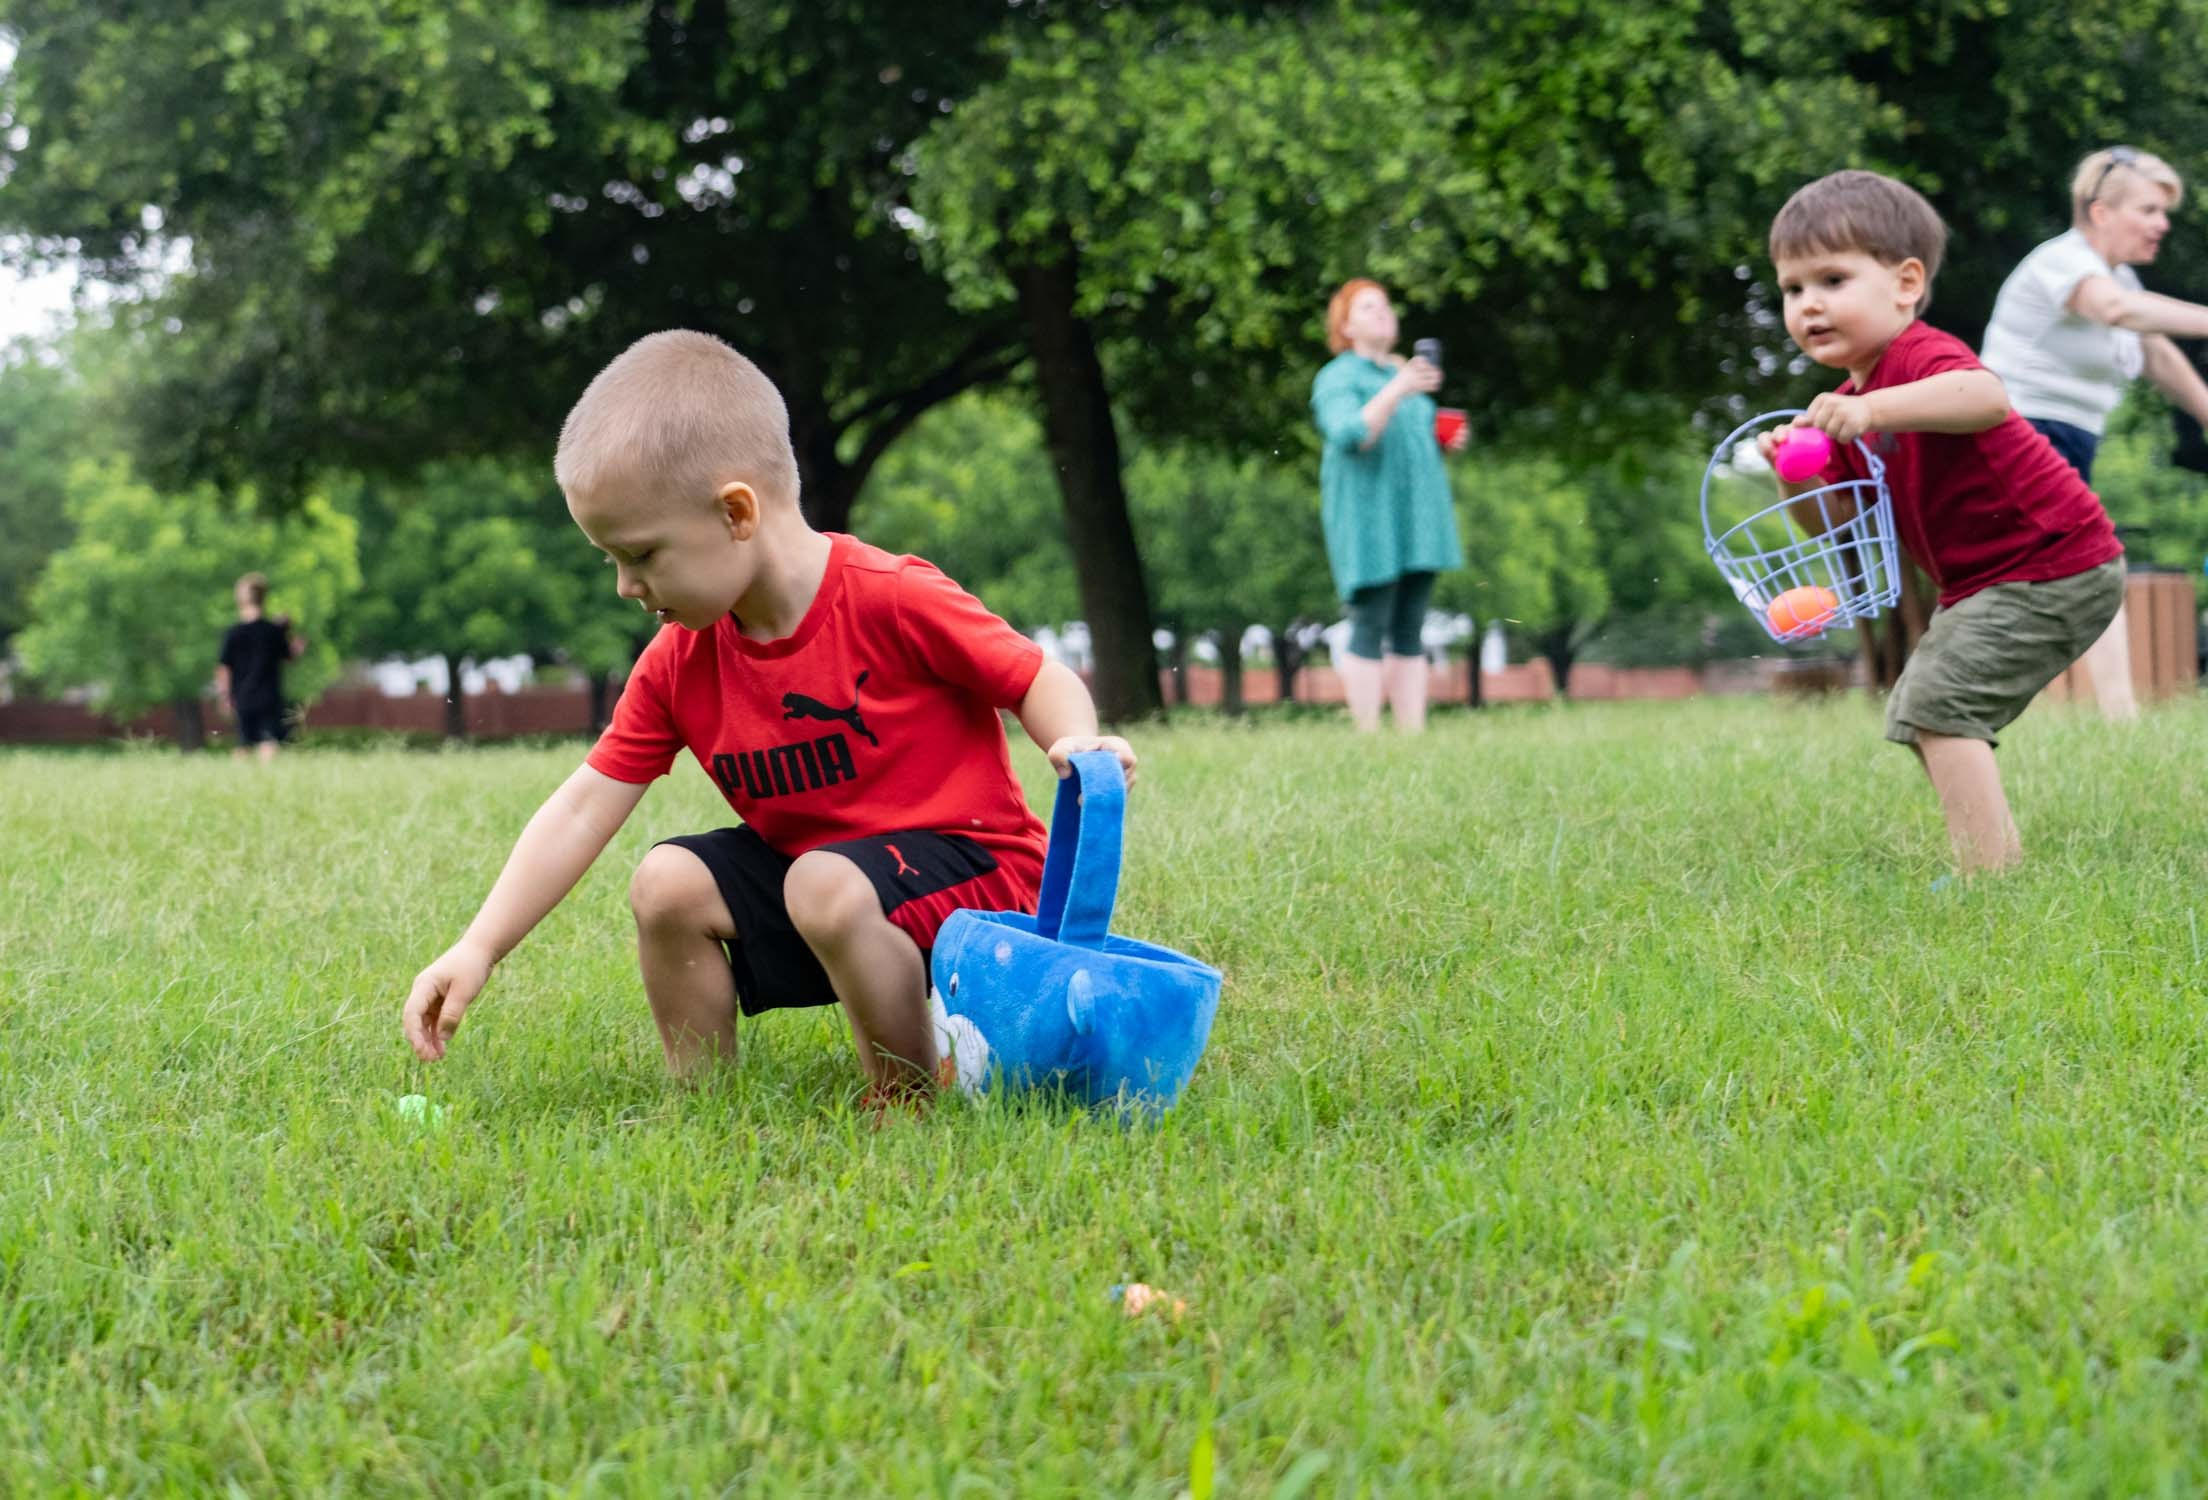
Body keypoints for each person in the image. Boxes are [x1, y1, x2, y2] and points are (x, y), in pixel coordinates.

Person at [400, 330, 1135, 1108]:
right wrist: (480, 946)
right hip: (828, 898)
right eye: (610, 559)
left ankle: (907, 1101)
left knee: (825, 880)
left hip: (980, 894)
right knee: (668, 881)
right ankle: (705, 1108)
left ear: (736, 512)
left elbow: (1033, 675)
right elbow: (584, 806)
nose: (624, 585)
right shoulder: (682, 658)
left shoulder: (891, 597)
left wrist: (1072, 740)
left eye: (642, 554)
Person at [1758, 170, 2124, 875]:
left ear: (1905, 283)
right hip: (1992, 581)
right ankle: (1985, 855)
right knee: (1927, 707)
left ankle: (1989, 873)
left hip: (2053, 562)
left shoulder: (1917, 357)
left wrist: (1871, 411)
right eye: (1792, 289)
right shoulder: (1841, 409)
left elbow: (1983, 396)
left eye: (1833, 280)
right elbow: (1832, 523)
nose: (1808, 305)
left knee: (1937, 702)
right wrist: (1792, 474)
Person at [1980, 146, 2208, 721]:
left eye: (2165, 214)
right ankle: (2120, 716)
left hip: (2067, 439)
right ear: (2101, 211)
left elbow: (2156, 354)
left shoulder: (2120, 277)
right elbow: (2117, 312)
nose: (2161, 226)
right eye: (2151, 210)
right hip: (2016, 433)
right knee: (2095, 562)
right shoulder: (2064, 262)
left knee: (2076, 572)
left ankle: (2100, 714)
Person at [1310, 279, 1466, 733]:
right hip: (1368, 519)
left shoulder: (1405, 378)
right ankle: (1368, 733)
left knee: (1410, 625)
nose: (1383, 313)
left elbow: (1410, 441)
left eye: (1386, 306)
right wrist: (1399, 386)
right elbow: (1350, 434)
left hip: (1417, 520)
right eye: (1368, 307)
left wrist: (1444, 438)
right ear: (1345, 325)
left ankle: (1410, 734)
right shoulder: (1338, 377)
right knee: (1370, 620)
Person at [215, 572, 303, 763]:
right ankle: (266, 780)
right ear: (264, 598)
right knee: (269, 740)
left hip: (242, 697)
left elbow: (224, 668)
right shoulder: (273, 631)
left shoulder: (233, 633)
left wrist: (224, 697)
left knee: (243, 743)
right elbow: (289, 657)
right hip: (269, 696)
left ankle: (238, 783)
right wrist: (291, 638)